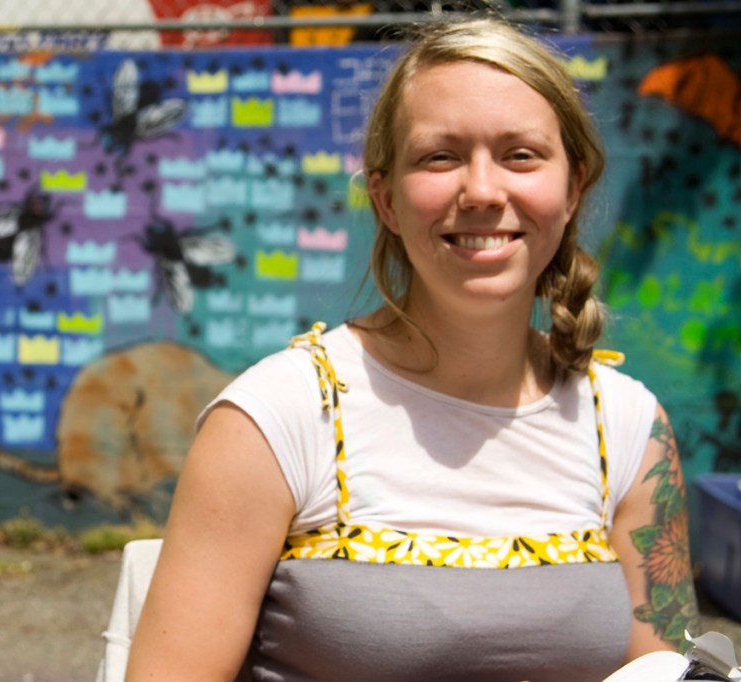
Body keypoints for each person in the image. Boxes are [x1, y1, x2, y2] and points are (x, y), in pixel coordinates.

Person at [126, 17, 699, 682]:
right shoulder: (279, 419)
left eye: (520, 155)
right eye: (440, 157)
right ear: (387, 200)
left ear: (572, 189)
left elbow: (667, 662)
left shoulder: (628, 427)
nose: (483, 191)